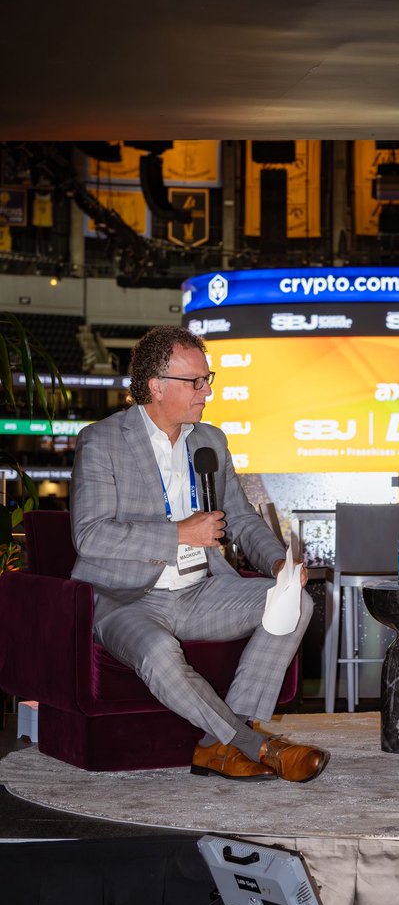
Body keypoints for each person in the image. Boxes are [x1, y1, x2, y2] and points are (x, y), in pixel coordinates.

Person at [70, 325, 328, 783]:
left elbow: (243, 520)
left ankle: (219, 747)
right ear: (156, 385)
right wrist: (178, 533)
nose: (206, 391)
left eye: (208, 379)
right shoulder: (102, 441)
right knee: (157, 650)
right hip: (123, 598)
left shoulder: (210, 440)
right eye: (196, 381)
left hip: (200, 591)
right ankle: (255, 746)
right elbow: (91, 537)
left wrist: (276, 564)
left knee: (295, 603)